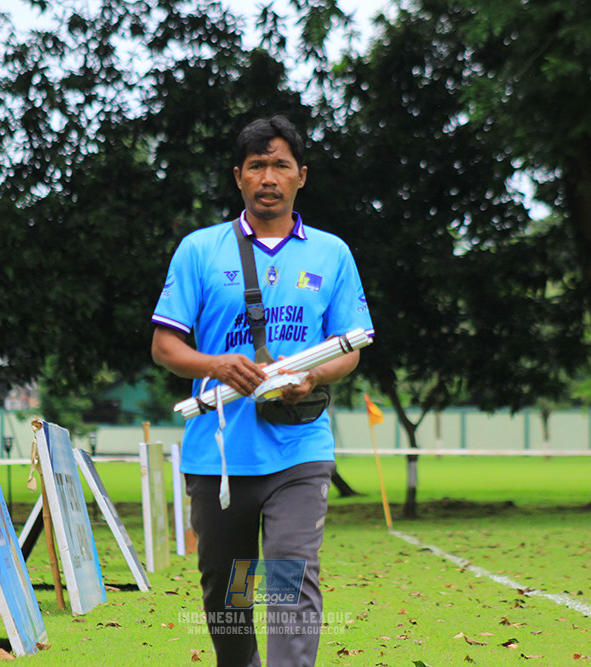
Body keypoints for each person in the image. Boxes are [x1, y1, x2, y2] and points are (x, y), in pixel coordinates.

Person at [150, 114, 374, 667]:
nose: (268, 176)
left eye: (280, 165)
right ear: (239, 177)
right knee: (228, 595)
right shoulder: (200, 250)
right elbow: (165, 348)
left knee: (289, 577)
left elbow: (351, 346)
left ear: (302, 175)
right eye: (257, 166)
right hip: (219, 456)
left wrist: (313, 376)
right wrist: (217, 366)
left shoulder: (331, 253)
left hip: (299, 451)